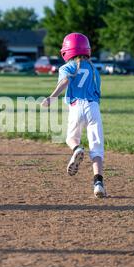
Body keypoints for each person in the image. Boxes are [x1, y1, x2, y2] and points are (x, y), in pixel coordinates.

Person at [41, 33, 106, 198]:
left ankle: (77, 149)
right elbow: (97, 93)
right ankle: (98, 184)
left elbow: (65, 81)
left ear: (67, 50)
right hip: (93, 108)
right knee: (97, 149)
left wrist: (52, 97)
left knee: (71, 139)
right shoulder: (93, 69)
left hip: (76, 107)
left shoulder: (67, 67)